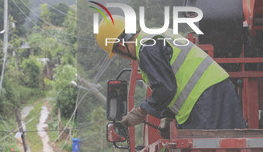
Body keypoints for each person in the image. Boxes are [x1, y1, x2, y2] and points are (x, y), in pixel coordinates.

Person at [95, 15, 246, 133]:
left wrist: (141, 111)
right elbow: (173, 81)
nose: (122, 57)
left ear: (120, 45)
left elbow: (165, 88)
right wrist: (167, 115)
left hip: (206, 98)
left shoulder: (147, 47)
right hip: (215, 91)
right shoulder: (154, 36)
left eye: (117, 53)